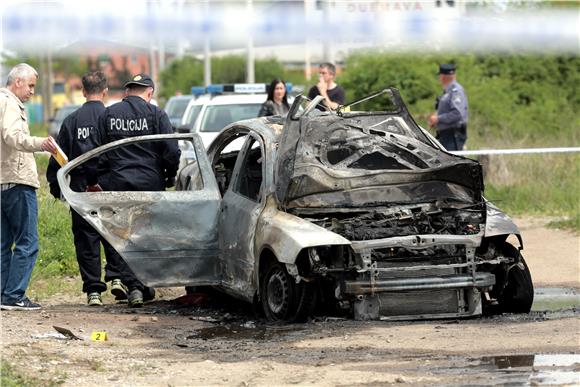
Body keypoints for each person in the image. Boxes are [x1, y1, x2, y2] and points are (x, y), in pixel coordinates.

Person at [87, 73, 181, 307]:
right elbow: (172, 150)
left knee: (123, 236)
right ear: (149, 93)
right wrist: (170, 174)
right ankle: (143, 283)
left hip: (118, 184)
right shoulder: (157, 114)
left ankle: (134, 286)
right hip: (150, 186)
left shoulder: (109, 114)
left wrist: (94, 180)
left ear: (128, 91)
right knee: (146, 234)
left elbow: (94, 152)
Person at [45, 71, 128, 306]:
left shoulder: (72, 121)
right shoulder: (112, 117)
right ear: (105, 92)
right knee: (114, 232)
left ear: (83, 92)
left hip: (81, 189)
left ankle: (93, 291)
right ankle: (116, 279)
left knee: (86, 237)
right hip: (110, 184)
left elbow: (59, 157)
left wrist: (56, 187)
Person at [1, 63, 58, 311]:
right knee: (28, 241)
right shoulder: (10, 103)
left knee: (3, 243)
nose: (32, 91)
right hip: (17, 180)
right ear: (18, 82)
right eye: (31, 85)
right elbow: (12, 135)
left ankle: (4, 294)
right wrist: (40, 143)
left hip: (3, 181)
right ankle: (14, 295)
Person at [428, 63, 469, 151]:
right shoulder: (448, 91)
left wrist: (438, 119)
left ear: (442, 76)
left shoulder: (456, 91)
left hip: (453, 135)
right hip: (446, 135)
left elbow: (457, 114)